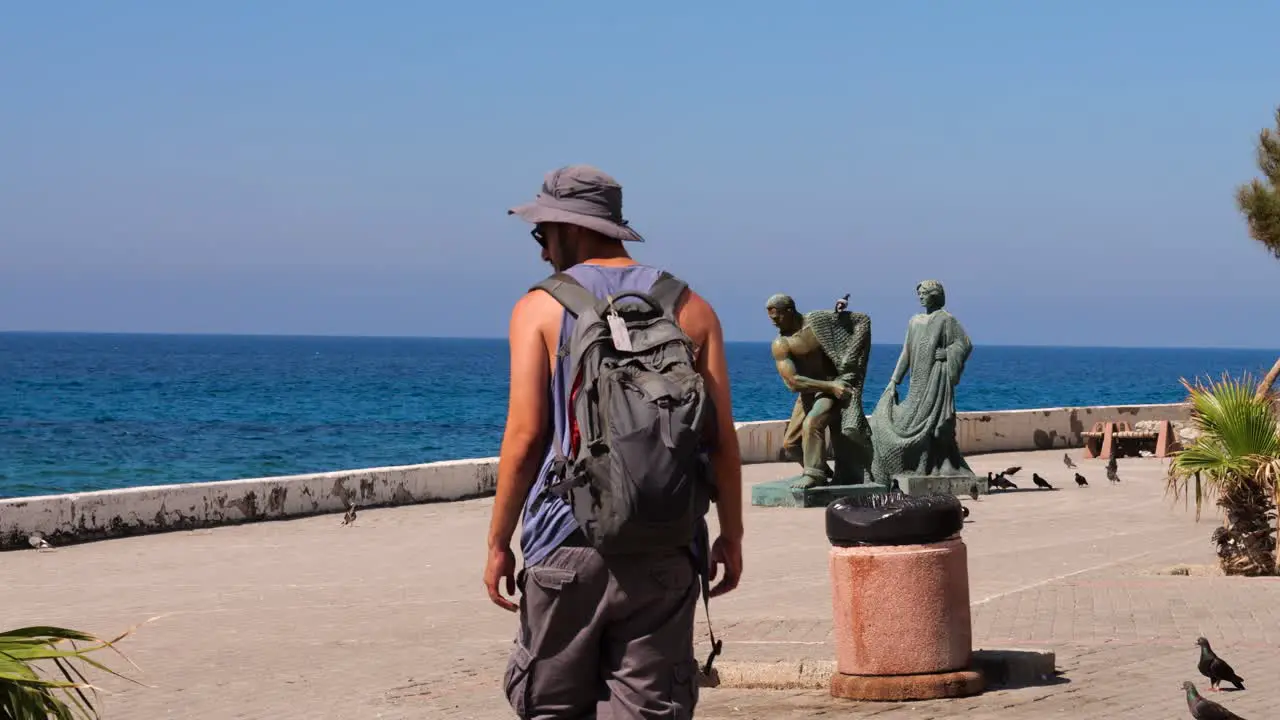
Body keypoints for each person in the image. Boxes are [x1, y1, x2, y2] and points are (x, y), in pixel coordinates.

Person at [484, 164, 744, 718]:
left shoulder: (538, 308)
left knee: (551, 707)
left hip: (565, 543)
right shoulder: (692, 308)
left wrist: (497, 542)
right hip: (667, 545)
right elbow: (721, 440)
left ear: (571, 229)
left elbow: (528, 438)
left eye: (542, 235)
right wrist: (732, 536)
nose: (541, 253)